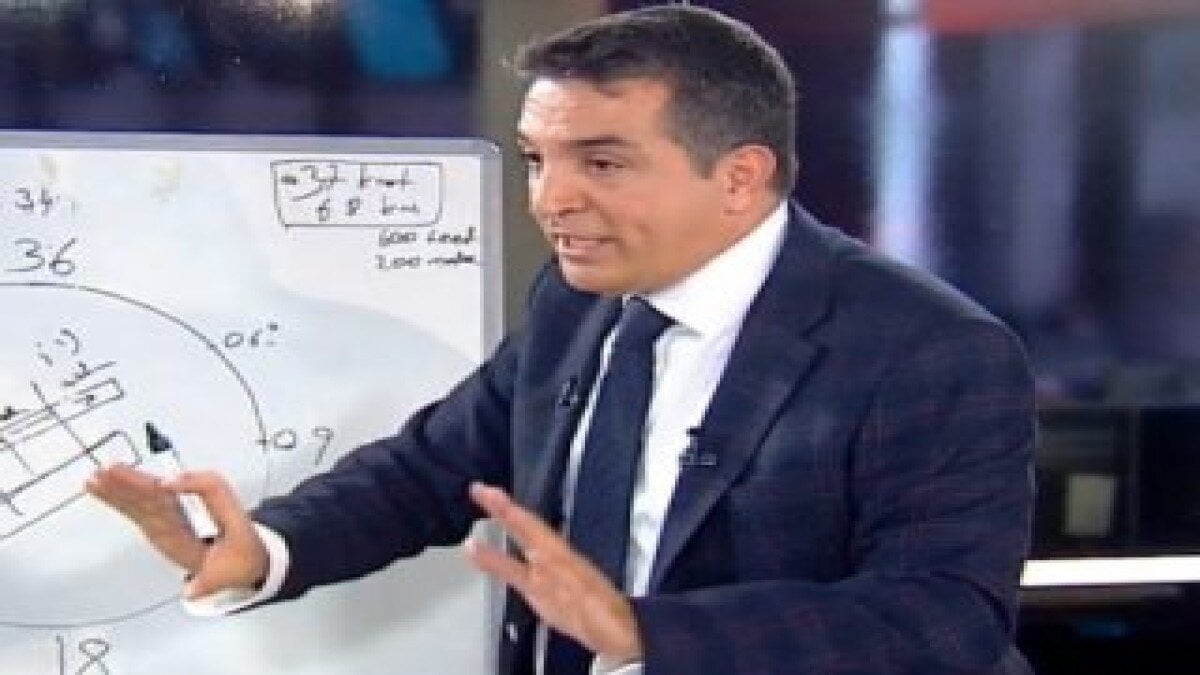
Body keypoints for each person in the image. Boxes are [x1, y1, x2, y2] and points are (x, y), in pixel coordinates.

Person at [87, 5, 1036, 674]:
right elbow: (433, 466)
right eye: (539, 159)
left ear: (740, 177)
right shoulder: (578, 301)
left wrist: (647, 634)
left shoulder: (931, 350)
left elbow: (944, 614)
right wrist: (267, 547)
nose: (551, 200)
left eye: (602, 162)